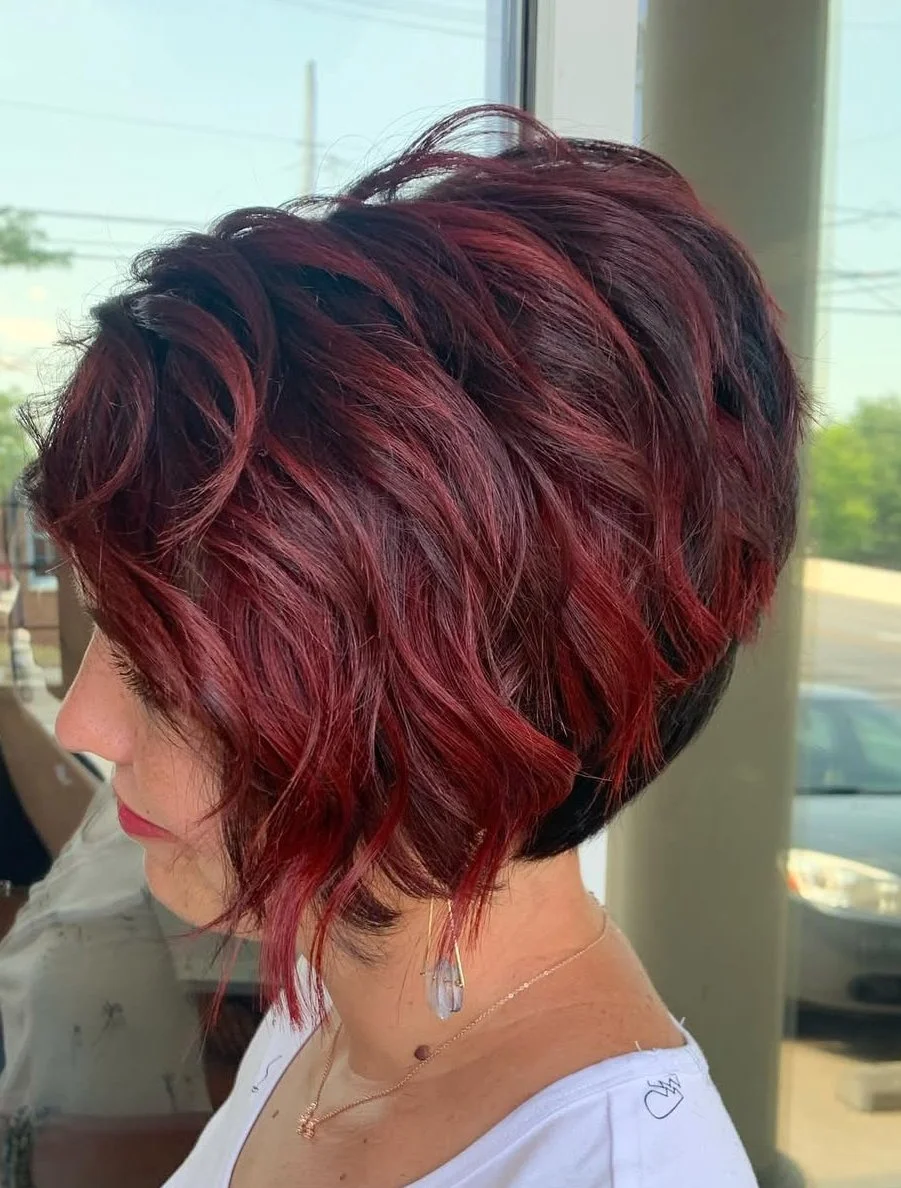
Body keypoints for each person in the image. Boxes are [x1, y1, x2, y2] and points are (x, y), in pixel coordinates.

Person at [22, 106, 805, 1187]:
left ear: (455, 692)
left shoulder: (611, 1169)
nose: (84, 721)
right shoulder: (332, 996)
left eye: (172, 668)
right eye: (111, 625)